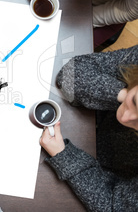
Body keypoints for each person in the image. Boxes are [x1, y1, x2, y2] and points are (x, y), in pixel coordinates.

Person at [40, 45, 138, 211]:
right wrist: (121, 95)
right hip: (87, 123)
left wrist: (65, 157)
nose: (125, 118)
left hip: (105, 173)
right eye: (135, 101)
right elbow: (70, 74)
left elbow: (113, 207)